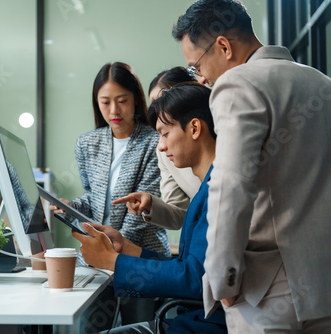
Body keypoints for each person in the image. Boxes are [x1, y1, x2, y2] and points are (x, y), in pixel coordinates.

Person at [173, 0, 331, 332]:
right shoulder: (329, 88)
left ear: (222, 46)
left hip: (268, 295)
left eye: (196, 67)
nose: (202, 79)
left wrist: (222, 280)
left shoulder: (237, 84)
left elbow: (231, 187)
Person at [73, 83, 227, 334]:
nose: (162, 146)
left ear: (195, 128)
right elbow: (189, 267)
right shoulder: (207, 188)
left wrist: (113, 261)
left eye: (165, 134)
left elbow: (194, 279)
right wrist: (127, 249)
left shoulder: (218, 191)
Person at [53, 62, 170, 256]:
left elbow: (143, 209)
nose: (114, 110)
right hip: (98, 253)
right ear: (96, 103)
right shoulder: (87, 143)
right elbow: (93, 198)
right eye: (105, 102)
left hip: (142, 254)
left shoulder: (155, 142)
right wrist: (71, 206)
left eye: (122, 100)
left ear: (135, 100)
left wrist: (111, 248)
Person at [114, 67, 202, 230]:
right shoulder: (164, 151)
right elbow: (179, 214)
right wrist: (150, 204)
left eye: (162, 100)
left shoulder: (222, 136)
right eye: (154, 105)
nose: (157, 112)